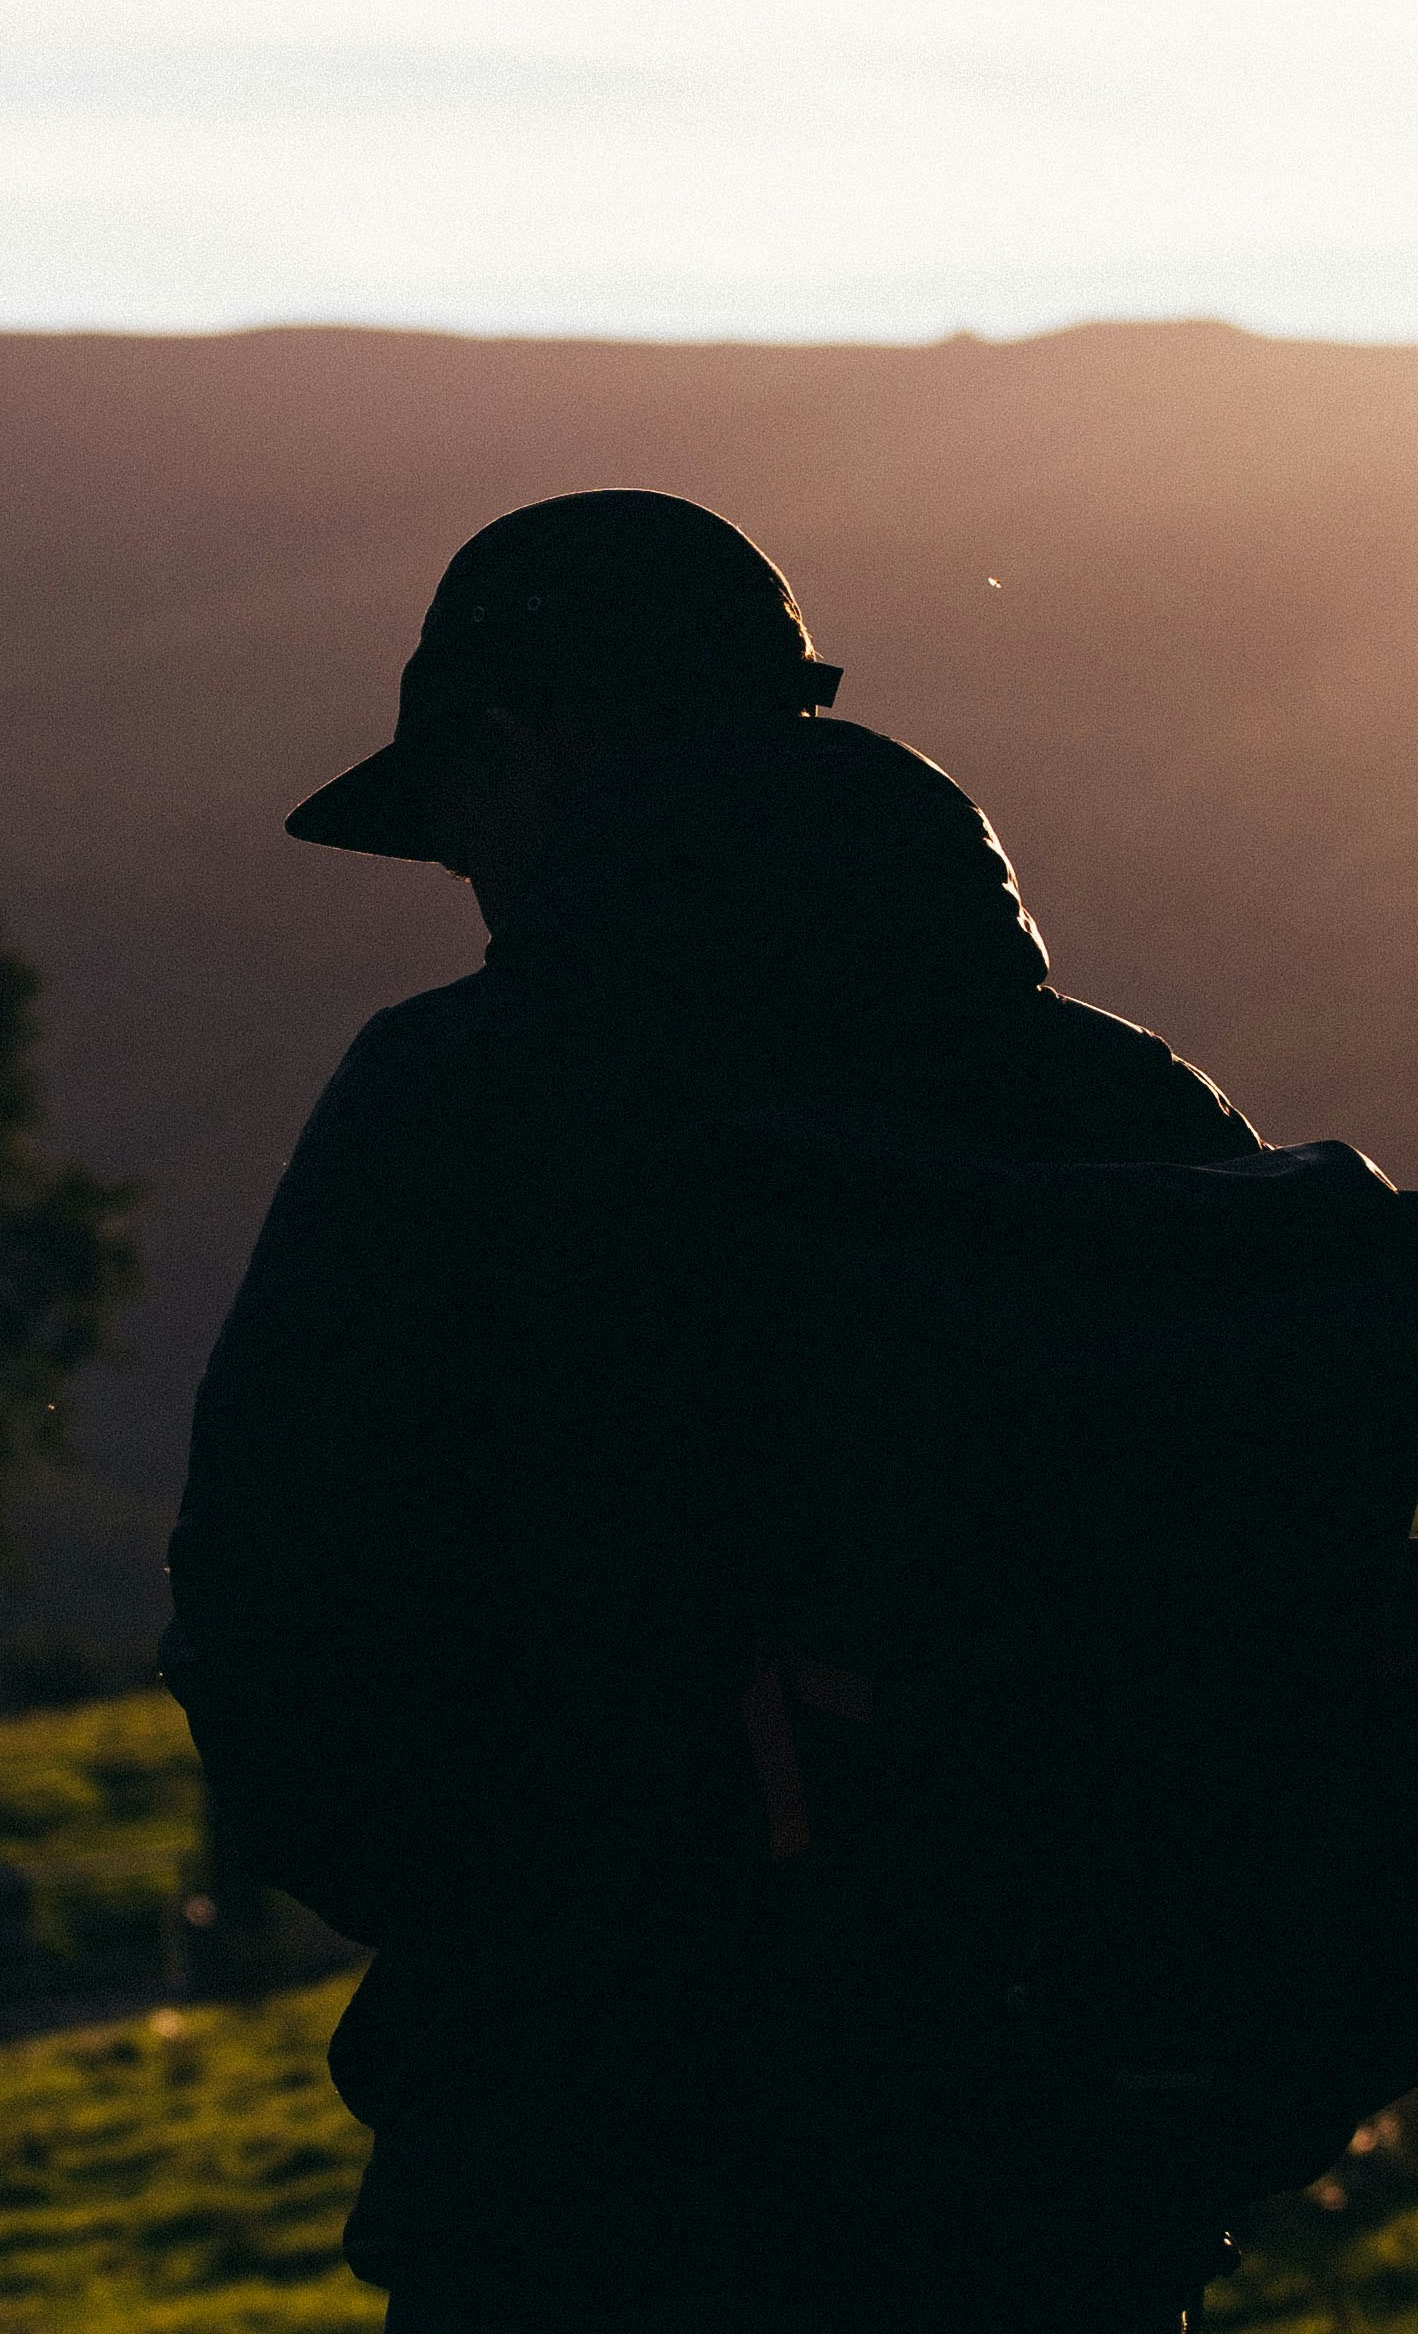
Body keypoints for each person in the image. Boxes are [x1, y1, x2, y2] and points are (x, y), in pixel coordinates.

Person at [164, 490, 1265, 2333]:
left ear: (518, 753)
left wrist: (536, 1943)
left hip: (589, 2191)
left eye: (462, 828)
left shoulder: (458, 1104)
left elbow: (271, 1629)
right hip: (1058, 2184)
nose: (475, 886)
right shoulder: (1121, 1104)